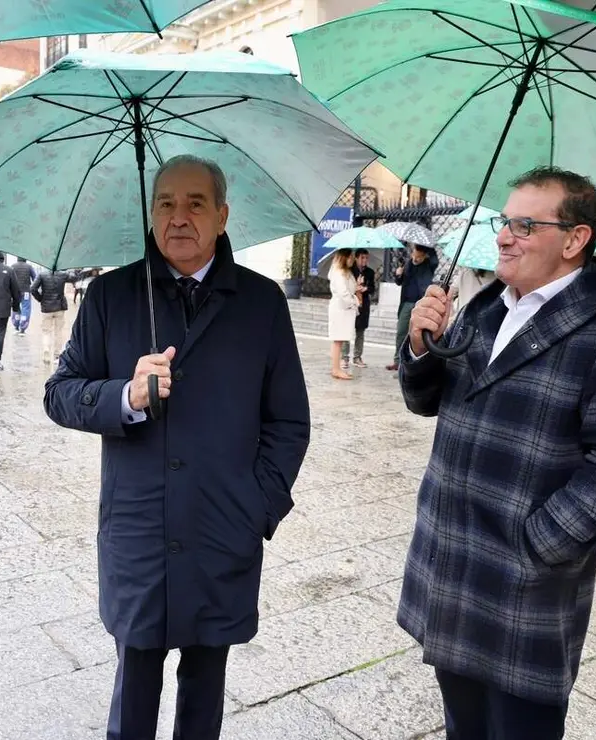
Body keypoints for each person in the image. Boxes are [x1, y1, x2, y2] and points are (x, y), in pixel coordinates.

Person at [44, 154, 310, 740]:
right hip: (140, 526)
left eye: (195, 204)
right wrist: (126, 396)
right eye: (165, 203)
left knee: (206, 682)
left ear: (222, 215)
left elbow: (289, 420)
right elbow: (60, 393)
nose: (178, 217)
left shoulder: (261, 303)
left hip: (223, 525)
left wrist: (257, 506)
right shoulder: (112, 296)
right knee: (135, 680)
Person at [399, 166, 596, 740]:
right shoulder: (487, 308)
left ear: (575, 240)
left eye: (524, 224)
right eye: (504, 221)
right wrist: (422, 345)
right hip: (450, 564)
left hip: (525, 586)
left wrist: (538, 543)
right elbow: (427, 401)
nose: (503, 236)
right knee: (461, 725)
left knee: (519, 727)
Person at [386, 242, 438, 371]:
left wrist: (428, 248)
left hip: (421, 303)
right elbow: (400, 282)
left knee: (417, 334)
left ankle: (413, 362)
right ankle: (397, 361)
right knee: (401, 332)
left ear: (423, 254)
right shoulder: (408, 264)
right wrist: (398, 274)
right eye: (413, 251)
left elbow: (434, 259)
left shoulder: (428, 265)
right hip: (406, 303)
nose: (413, 254)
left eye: (416, 251)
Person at [31, 266, 73, 366]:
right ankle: (57, 355)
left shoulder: (42, 275)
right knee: (58, 332)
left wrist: (41, 299)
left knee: (46, 332)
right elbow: (74, 277)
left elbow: (33, 289)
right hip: (59, 307)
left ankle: (46, 349)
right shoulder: (63, 274)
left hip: (46, 308)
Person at [327, 248, 358, 380]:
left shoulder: (346, 272)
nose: (352, 259)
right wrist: (354, 302)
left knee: (339, 339)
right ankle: (336, 369)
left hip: (344, 309)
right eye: (351, 256)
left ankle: (337, 367)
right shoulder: (339, 273)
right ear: (344, 257)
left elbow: (350, 289)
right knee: (337, 340)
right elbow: (343, 293)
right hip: (340, 309)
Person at [346, 247, 375, 367]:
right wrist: (355, 287)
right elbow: (346, 287)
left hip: (363, 305)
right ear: (356, 258)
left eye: (366, 258)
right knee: (347, 330)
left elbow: (373, 288)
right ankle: (344, 357)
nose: (364, 260)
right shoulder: (349, 271)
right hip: (351, 303)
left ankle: (357, 357)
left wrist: (366, 288)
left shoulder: (370, 272)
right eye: (362, 258)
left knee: (360, 331)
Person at [10, 255, 38, 335]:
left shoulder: (13, 266)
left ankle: (16, 325)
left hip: (15, 292)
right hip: (26, 291)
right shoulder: (29, 267)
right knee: (26, 308)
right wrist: (31, 287)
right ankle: (23, 328)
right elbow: (35, 278)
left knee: (16, 308)